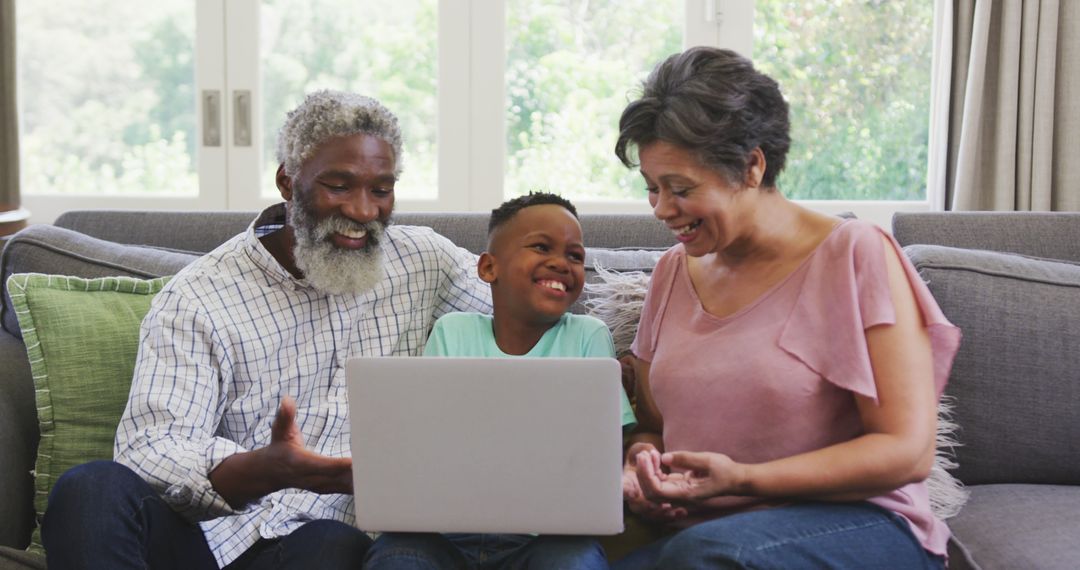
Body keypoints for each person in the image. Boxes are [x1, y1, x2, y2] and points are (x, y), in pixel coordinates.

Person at [40, 90, 492, 569]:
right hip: (210, 535)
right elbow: (150, 449)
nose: (363, 211)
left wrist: (557, 274)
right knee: (90, 488)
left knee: (329, 543)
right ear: (287, 181)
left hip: (327, 542)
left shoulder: (425, 262)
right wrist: (263, 469)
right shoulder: (200, 295)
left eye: (381, 190)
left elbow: (529, 315)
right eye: (339, 186)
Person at [611, 47, 961, 569]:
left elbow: (906, 452)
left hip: (856, 523)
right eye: (652, 188)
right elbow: (654, 427)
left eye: (681, 189)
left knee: (702, 557)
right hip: (704, 535)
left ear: (752, 165)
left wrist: (745, 478)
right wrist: (642, 460)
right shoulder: (671, 273)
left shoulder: (855, 254)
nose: (662, 209)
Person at [363, 192, 636, 570]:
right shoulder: (452, 331)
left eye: (575, 256)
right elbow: (428, 439)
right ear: (489, 268)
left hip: (550, 537)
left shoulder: (589, 335)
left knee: (576, 564)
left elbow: (610, 446)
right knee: (398, 560)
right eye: (542, 247)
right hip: (442, 535)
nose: (562, 263)